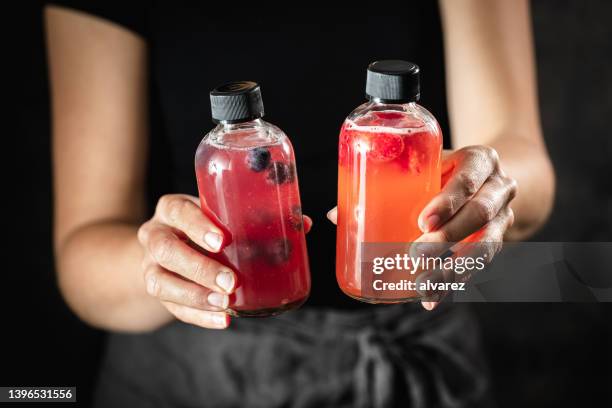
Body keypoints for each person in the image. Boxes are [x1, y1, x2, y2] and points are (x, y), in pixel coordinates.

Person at [45, 1, 555, 407]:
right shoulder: (230, 148)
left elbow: (525, 164)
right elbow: (82, 255)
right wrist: (164, 266)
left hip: (419, 333)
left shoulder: (405, 126)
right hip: (201, 369)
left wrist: (487, 190)